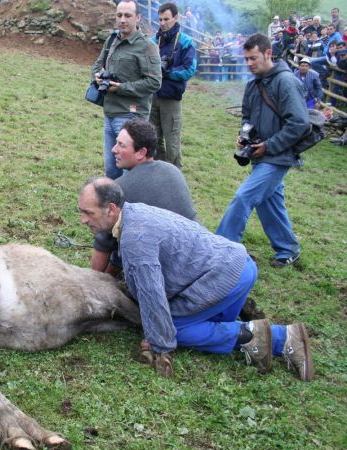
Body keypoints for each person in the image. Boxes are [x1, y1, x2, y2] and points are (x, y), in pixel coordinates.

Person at [78, 178, 314, 381]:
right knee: (190, 323)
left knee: (175, 329)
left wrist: (159, 343)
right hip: (238, 265)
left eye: (88, 212)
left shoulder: (135, 239)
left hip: (225, 279)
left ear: (110, 209)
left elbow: (152, 294)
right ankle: (246, 323)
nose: (83, 220)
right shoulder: (135, 214)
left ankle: (274, 337)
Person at [215, 34, 310, 268]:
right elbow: (247, 116)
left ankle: (220, 250)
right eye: (246, 59)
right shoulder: (253, 84)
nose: (249, 64)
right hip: (261, 154)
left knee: (244, 197)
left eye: (253, 58)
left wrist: (269, 145)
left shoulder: (285, 82)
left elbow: (300, 123)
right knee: (270, 203)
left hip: (277, 156)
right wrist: (244, 135)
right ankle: (288, 248)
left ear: (269, 54)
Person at [90, 117, 196, 275]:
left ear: (141, 153)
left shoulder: (120, 188)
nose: (114, 149)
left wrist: (91, 281)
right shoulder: (172, 170)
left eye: (121, 145)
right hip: (198, 256)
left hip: (169, 272)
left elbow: (104, 243)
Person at [90, 0, 161, 179]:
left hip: (132, 117)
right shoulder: (112, 39)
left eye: (128, 15)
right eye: (119, 15)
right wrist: (98, 76)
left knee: (130, 173)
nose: (122, 20)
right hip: (110, 112)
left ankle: (131, 206)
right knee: (111, 169)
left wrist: (121, 88)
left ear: (138, 18)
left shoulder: (147, 46)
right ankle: (113, 206)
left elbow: (154, 82)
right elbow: (97, 64)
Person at [149, 3, 197, 168]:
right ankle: (157, 173)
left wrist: (167, 72)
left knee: (172, 140)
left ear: (176, 18)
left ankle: (175, 176)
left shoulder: (185, 42)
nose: (162, 23)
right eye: (160, 19)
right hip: (153, 95)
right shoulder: (154, 40)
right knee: (152, 138)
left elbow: (189, 69)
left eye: (166, 19)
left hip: (171, 97)